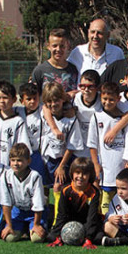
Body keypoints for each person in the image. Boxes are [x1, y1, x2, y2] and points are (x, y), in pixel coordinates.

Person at [40, 82, 84, 222]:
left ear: (63, 99)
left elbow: (72, 146)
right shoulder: (44, 114)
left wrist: (62, 166)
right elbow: (44, 108)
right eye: (50, 102)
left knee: (60, 187)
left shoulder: (71, 119)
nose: (53, 104)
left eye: (56, 100)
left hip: (62, 160)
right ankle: (46, 218)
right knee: (44, 188)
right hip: (47, 159)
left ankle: (59, 221)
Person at [87, 82, 128, 215]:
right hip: (105, 166)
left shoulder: (124, 118)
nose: (107, 102)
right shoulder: (96, 116)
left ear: (118, 99)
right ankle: (105, 221)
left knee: (122, 196)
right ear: (100, 98)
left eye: (111, 99)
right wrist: (96, 165)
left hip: (121, 164)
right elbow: (92, 144)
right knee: (105, 197)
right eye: (104, 99)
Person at [47, 157, 104, 248]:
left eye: (84, 174)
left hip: (86, 223)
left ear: (90, 175)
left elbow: (92, 217)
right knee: (51, 237)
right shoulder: (66, 190)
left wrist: (88, 238)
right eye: (77, 173)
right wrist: (57, 236)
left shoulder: (94, 192)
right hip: (70, 223)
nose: (80, 176)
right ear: (72, 173)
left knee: (98, 238)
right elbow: (62, 214)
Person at [0, 144, 47, 243]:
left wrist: (36, 225)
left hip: (33, 213)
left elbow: (38, 204)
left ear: (28, 161)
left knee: (37, 239)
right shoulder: (6, 176)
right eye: (13, 160)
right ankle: (23, 228)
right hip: (18, 211)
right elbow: (6, 203)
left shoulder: (35, 177)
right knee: (9, 238)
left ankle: (44, 218)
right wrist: (9, 226)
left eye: (19, 160)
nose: (16, 163)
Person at [0, 80, 32, 167]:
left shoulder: (18, 121)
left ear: (14, 99)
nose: (2, 101)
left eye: (5, 98)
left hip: (9, 167)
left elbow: (23, 146)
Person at [31, 28, 79, 97]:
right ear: (48, 46)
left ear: (67, 46)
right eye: (54, 46)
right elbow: (34, 98)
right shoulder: (40, 71)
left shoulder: (74, 70)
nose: (58, 49)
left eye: (62, 46)